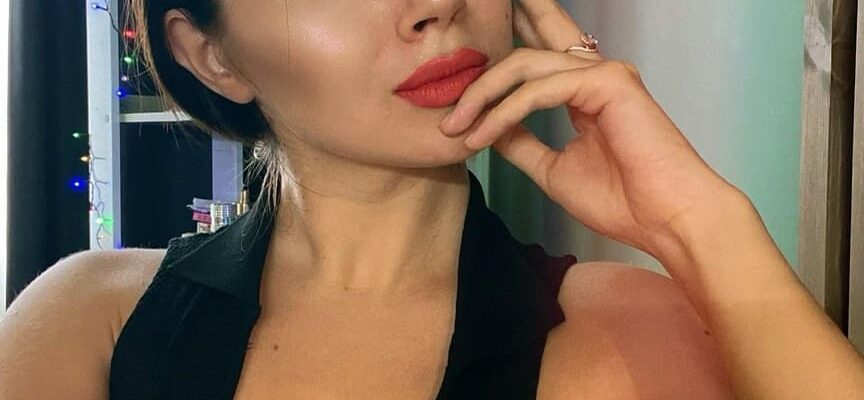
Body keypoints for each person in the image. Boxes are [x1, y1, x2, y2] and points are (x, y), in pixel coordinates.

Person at [2, 0, 863, 398]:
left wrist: (701, 224)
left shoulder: (639, 333)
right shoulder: (90, 326)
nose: (437, 7)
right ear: (211, 55)